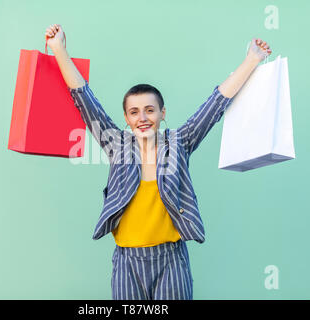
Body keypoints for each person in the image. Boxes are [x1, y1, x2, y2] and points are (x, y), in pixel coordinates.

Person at [45, 24, 271, 300]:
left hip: (170, 258)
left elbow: (216, 104)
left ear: (163, 113)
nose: (142, 117)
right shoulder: (116, 144)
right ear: (126, 119)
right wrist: (59, 49)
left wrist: (252, 58)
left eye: (150, 110)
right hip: (128, 260)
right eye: (134, 112)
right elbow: (85, 99)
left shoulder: (180, 141)